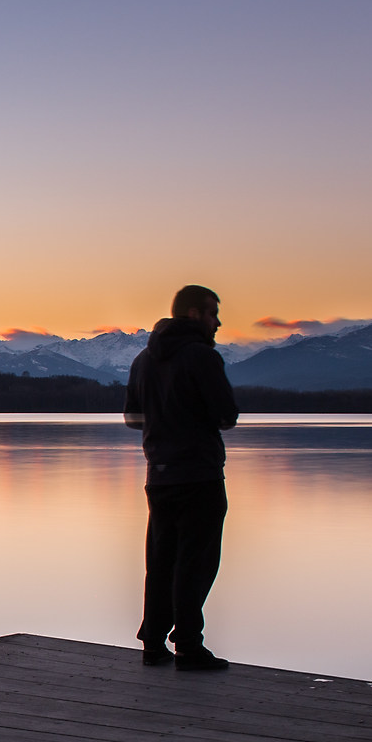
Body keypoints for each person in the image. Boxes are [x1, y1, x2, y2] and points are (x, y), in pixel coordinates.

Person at [125, 284, 238, 670]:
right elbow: (226, 416)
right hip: (199, 474)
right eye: (212, 314)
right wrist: (192, 420)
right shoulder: (202, 357)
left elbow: (132, 418)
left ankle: (153, 643)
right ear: (193, 314)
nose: (217, 323)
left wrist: (163, 424)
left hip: (158, 475)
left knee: (161, 560)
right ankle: (188, 646)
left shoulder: (143, 359)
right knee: (196, 561)